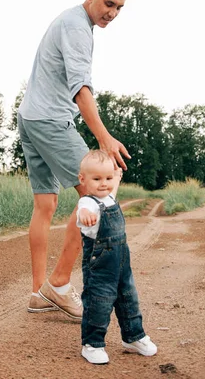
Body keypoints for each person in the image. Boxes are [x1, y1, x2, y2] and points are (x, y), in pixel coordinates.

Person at [18, 0, 131, 319]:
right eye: (108, 3)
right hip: (51, 120)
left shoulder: (71, 22)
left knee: (45, 205)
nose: (112, 12)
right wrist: (103, 137)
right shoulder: (77, 27)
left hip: (31, 116)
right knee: (98, 191)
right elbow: (81, 88)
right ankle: (60, 284)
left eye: (119, 8)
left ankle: (40, 294)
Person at [77, 149, 158, 364]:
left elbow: (113, 186)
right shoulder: (88, 203)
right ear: (82, 179)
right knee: (100, 301)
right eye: (97, 179)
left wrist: (117, 176)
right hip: (101, 263)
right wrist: (85, 216)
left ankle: (133, 336)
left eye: (108, 178)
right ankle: (92, 343)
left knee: (128, 296)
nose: (103, 183)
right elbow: (82, 210)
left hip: (122, 261)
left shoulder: (109, 197)